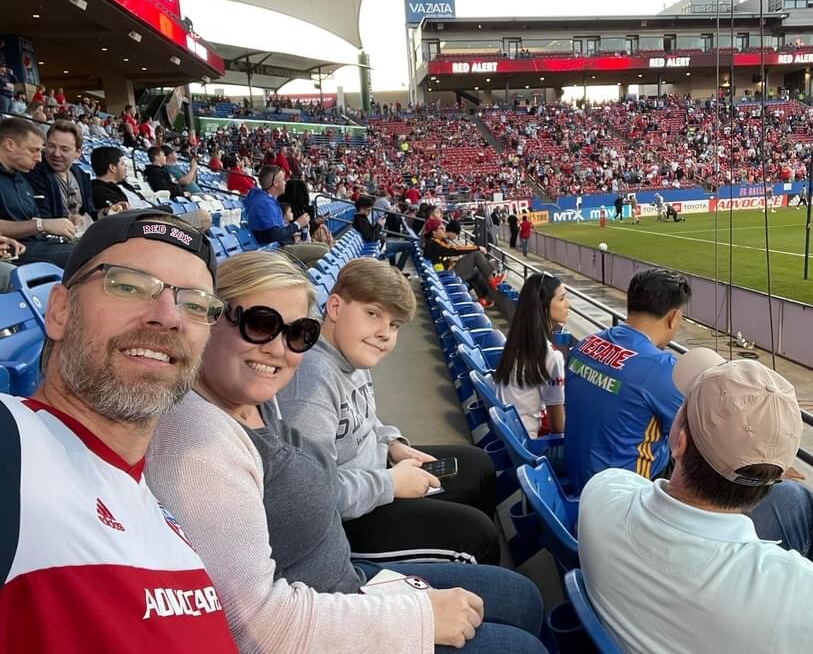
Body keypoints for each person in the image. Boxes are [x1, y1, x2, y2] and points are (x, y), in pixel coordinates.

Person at [146, 252, 546, 653]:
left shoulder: (259, 398)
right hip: (324, 612)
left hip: (345, 576)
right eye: (260, 323)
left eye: (298, 333)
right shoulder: (201, 444)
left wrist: (393, 446)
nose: (279, 349)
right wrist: (417, 618)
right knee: (519, 640)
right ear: (209, 317)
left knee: (521, 597)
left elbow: (364, 426)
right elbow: (255, 625)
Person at [579, 348, 813, 654]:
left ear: (678, 442)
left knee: (796, 503)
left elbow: (642, 488)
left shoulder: (603, 492)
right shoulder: (807, 595)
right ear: (778, 473)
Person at [0, 208, 237, 651]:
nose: (169, 316)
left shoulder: (164, 519)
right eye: (128, 285)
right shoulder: (12, 442)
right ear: (60, 311)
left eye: (195, 304)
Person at [277, 258, 502, 565]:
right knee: (478, 536)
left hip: (375, 477)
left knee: (478, 467)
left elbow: (366, 419)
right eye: (373, 314)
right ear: (335, 307)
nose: (384, 333)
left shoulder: (353, 351)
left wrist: (393, 445)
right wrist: (391, 483)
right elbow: (312, 497)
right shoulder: (309, 385)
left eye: (394, 325)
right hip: (342, 525)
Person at [563, 268, 690, 494]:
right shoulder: (661, 368)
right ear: (673, 317)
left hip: (577, 478)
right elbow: (692, 435)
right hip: (623, 497)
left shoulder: (585, 344)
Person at [493, 273, 568, 438]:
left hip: (510, 434)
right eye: (562, 299)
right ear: (543, 305)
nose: (567, 305)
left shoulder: (514, 341)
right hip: (531, 442)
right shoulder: (551, 355)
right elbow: (558, 427)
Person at [0, 118, 77, 267]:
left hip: (39, 244)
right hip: (14, 252)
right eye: (33, 150)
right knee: (87, 255)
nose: (40, 159)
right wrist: (41, 225)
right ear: (10, 145)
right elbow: (37, 223)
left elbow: (34, 218)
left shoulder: (22, 179)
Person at [243, 165, 328, 266]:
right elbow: (274, 235)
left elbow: (278, 231)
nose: (285, 183)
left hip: (278, 247)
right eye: (283, 180)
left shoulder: (267, 200)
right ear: (275, 183)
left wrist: (294, 233)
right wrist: (297, 224)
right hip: (273, 252)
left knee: (324, 246)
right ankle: (298, 274)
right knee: (324, 251)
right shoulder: (263, 204)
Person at [423, 218, 500, 308]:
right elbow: (455, 249)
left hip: (444, 274)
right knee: (475, 254)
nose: (444, 229)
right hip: (445, 277)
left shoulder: (433, 242)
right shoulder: (434, 243)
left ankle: (483, 298)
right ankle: (492, 277)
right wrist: (477, 247)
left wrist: (453, 262)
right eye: (441, 228)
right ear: (434, 232)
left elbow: (445, 255)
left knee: (475, 271)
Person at [143, 146, 212, 231]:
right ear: (156, 157)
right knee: (204, 217)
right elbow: (165, 189)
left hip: (177, 200)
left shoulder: (161, 171)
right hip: (172, 204)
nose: (165, 157)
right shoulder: (154, 173)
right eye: (163, 155)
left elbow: (172, 186)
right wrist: (182, 193)